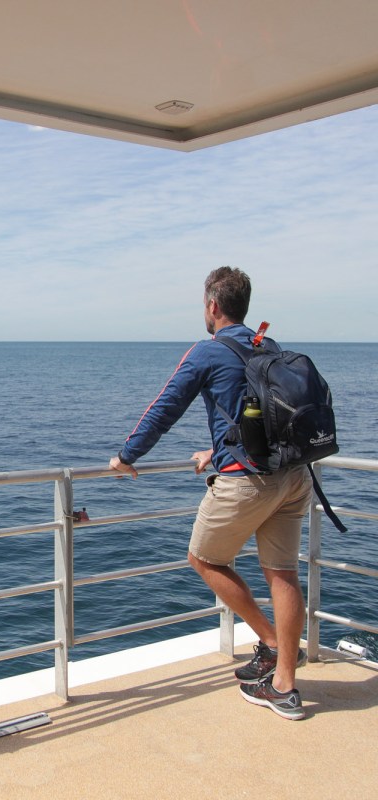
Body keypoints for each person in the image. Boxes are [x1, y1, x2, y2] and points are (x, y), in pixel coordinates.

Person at [108, 266, 312, 720]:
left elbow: (165, 407)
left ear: (213, 305)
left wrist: (127, 454)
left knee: (203, 558)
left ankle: (274, 641)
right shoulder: (267, 347)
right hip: (294, 477)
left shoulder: (208, 351)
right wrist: (217, 449)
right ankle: (283, 683)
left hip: (251, 480)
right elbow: (256, 415)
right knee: (282, 573)